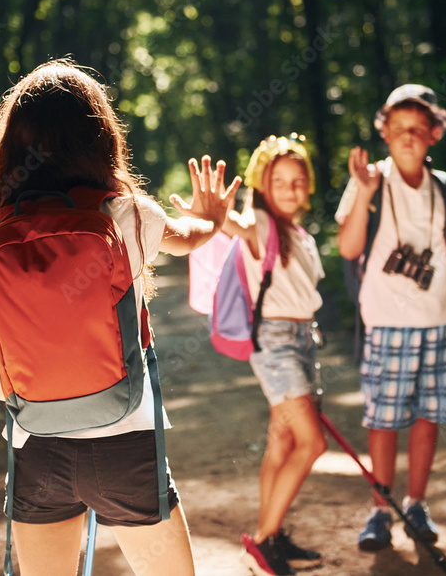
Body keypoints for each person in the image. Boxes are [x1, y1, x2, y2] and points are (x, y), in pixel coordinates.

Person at [0, 58, 241, 576]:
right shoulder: (128, 216)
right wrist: (212, 217)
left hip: (36, 453)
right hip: (125, 446)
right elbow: (192, 237)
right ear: (101, 139)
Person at [182, 134, 327, 576]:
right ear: (263, 185)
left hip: (303, 341)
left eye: (298, 180)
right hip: (277, 344)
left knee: (282, 443)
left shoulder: (301, 236)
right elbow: (236, 226)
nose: (290, 188)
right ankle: (264, 544)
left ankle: (272, 538)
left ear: (309, 184)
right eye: (278, 180)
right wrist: (212, 214)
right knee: (312, 442)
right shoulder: (260, 224)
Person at [335, 84, 446, 552]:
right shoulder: (370, 179)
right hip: (387, 319)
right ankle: (380, 509)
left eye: (417, 128)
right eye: (397, 128)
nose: (407, 137)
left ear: (434, 133)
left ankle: (416, 503)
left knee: (429, 417)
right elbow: (349, 247)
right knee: (385, 419)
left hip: (438, 319)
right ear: (384, 133)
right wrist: (366, 190)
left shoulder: (444, 186)